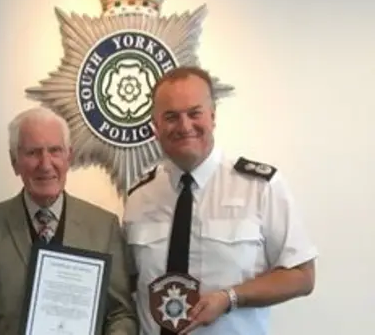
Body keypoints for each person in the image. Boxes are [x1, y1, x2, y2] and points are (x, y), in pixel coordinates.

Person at [124, 66, 318, 335]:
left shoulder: (259, 187)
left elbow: (302, 276)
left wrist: (231, 297)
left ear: (212, 117)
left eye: (194, 113)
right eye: (171, 117)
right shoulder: (139, 196)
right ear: (155, 126)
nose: (184, 126)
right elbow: (129, 284)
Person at [0, 107, 138, 335]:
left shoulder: (104, 226)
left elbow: (120, 314)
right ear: (14, 162)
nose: (45, 163)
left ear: (68, 157)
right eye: (33, 152)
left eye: (55, 151)